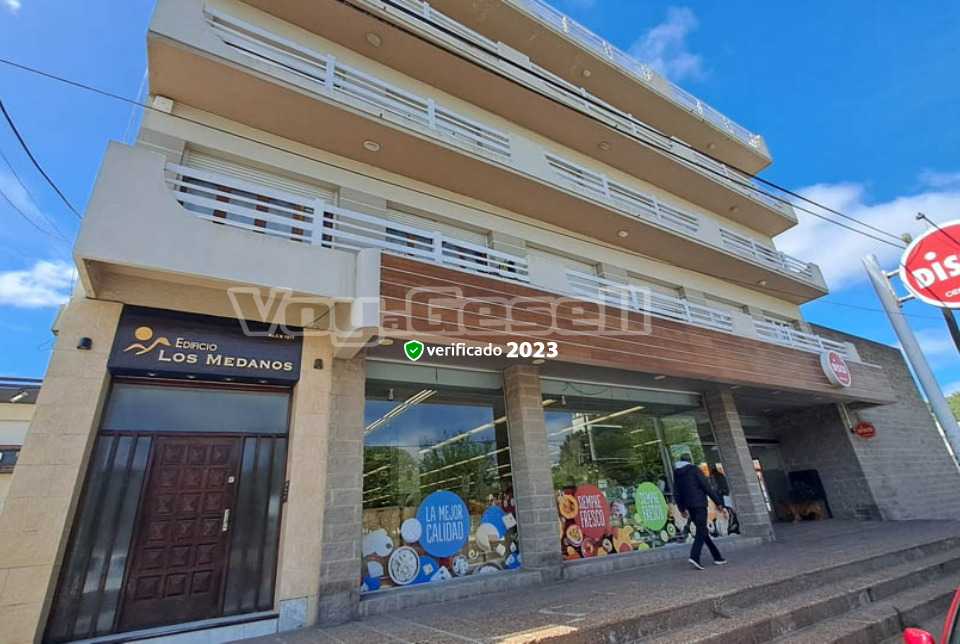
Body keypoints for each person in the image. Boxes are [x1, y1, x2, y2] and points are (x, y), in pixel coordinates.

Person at [673, 452, 727, 570]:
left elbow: (676, 491)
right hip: (699, 504)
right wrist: (718, 503)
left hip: (689, 506)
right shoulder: (694, 470)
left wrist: (681, 508)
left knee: (702, 530)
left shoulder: (677, 473)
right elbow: (706, 486)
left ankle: (717, 557)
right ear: (690, 460)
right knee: (701, 530)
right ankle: (694, 556)